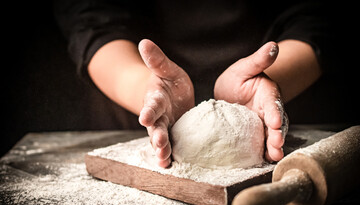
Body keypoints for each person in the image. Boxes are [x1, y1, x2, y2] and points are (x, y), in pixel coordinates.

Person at [54, 1, 329, 168]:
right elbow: (91, 19)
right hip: (132, 101)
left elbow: (320, 15)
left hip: (277, 97)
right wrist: (146, 89)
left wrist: (268, 77)